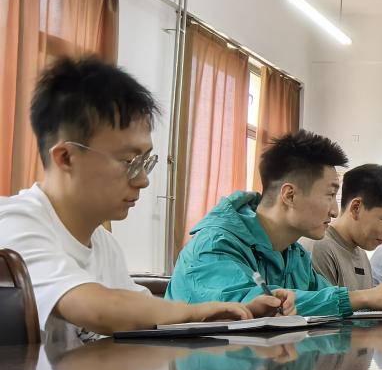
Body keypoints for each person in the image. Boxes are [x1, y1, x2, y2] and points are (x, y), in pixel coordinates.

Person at [0, 58, 269, 351]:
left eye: (146, 162)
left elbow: (140, 313)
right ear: (66, 158)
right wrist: (194, 312)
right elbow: (98, 309)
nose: (142, 180)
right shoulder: (14, 221)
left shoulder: (104, 244)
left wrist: (238, 316)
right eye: (130, 161)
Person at [170, 130, 382, 315]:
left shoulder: (294, 256)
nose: (335, 211)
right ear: (290, 195)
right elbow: (247, 306)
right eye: (330, 195)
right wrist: (367, 298)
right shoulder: (214, 246)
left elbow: (325, 300)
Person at [302, 163, 382, 308]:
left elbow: (360, 312)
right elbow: (324, 312)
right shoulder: (320, 246)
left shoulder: (361, 254)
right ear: (356, 208)